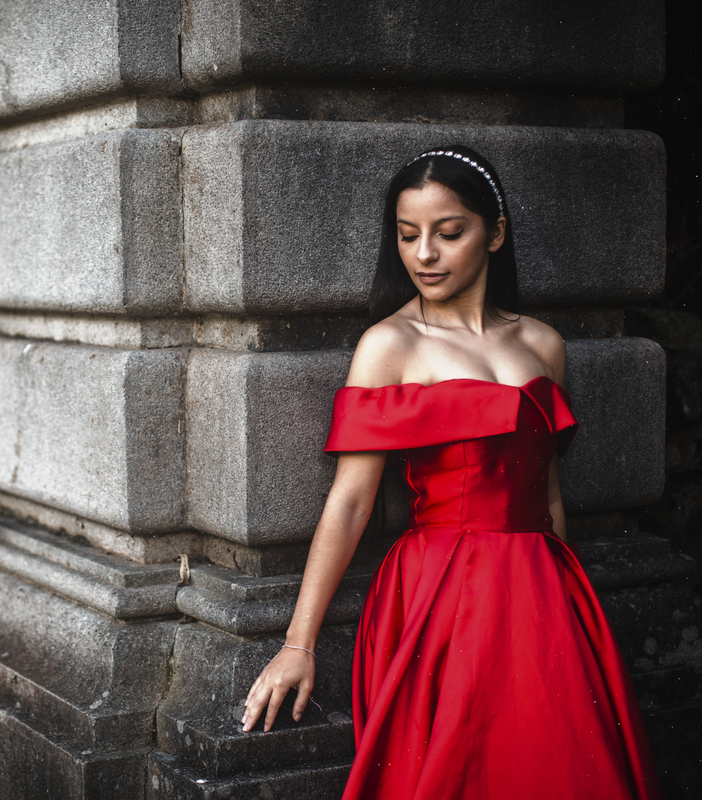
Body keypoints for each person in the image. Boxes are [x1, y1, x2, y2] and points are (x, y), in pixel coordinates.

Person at [239, 146, 661, 799]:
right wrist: (299, 643)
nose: (424, 254)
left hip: (543, 590)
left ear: (493, 233)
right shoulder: (390, 345)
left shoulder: (542, 344)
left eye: (448, 232)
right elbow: (351, 501)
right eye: (408, 236)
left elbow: (548, 498)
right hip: (441, 590)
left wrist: (563, 613)